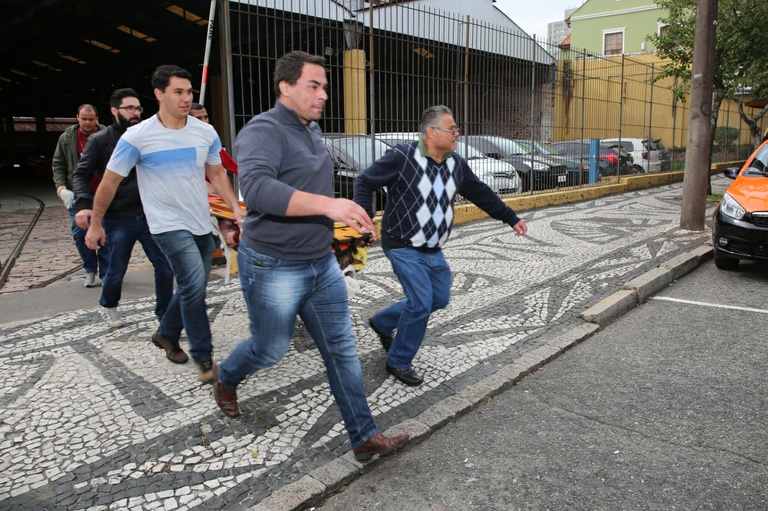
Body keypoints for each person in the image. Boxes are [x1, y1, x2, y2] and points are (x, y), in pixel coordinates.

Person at [214, 51, 408, 461]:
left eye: (324, 87)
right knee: (270, 349)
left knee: (341, 349)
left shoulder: (312, 130)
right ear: (285, 87)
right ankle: (227, 376)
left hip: (320, 263)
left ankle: (363, 436)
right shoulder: (262, 130)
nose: (323, 95)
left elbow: (314, 191)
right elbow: (259, 189)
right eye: (313, 86)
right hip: (272, 265)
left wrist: (347, 217)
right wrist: (329, 206)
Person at [84, 65, 244, 383]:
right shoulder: (138, 136)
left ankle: (166, 333)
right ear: (159, 94)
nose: (186, 98)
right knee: (195, 286)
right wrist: (95, 223)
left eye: (189, 92)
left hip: (200, 221)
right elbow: (109, 182)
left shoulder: (204, 133)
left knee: (189, 285)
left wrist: (237, 212)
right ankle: (204, 360)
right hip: (166, 225)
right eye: (178, 92)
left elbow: (216, 175)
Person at [354, 105, 528, 387]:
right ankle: (398, 360)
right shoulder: (402, 156)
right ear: (431, 132)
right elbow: (364, 181)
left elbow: (480, 192)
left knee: (439, 299)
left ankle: (384, 322)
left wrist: (510, 217)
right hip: (401, 243)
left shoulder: (455, 163)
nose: (457, 133)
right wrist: (363, 218)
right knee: (421, 303)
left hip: (433, 247)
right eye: (452, 128)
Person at [73, 88, 173, 328]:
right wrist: (85, 206)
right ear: (114, 111)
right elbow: (81, 174)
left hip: (150, 214)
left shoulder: (148, 137)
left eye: (138, 108)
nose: (135, 113)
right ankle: (109, 305)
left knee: (164, 265)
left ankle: (165, 314)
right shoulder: (100, 140)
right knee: (116, 269)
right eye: (130, 108)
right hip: (117, 217)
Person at [52, 104, 109, 287]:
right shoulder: (67, 138)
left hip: (102, 193)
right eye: (84, 119)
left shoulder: (106, 135)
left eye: (91, 119)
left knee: (105, 233)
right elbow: (58, 163)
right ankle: (90, 269)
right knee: (79, 233)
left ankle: (107, 273)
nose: (87, 122)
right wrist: (61, 187)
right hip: (78, 195)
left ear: (97, 119)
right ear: (77, 117)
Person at [189, 102, 241, 249]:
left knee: (231, 223)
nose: (204, 122)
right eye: (199, 119)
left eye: (206, 117)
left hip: (213, 199)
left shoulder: (210, 140)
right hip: (187, 203)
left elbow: (233, 167)